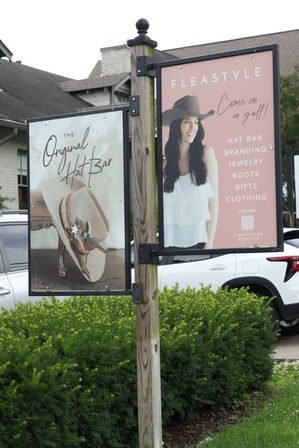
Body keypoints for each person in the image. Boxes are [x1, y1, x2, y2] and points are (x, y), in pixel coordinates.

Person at [162, 95, 218, 249]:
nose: (193, 127)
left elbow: (214, 204)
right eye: (187, 121)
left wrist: (209, 246)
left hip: (200, 244)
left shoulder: (206, 153)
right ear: (176, 126)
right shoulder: (165, 163)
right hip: (170, 247)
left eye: (196, 122)